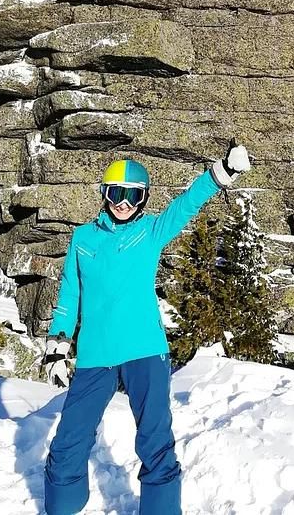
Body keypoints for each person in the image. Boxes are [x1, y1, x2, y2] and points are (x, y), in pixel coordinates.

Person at [42, 142, 252, 515]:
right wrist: (57, 346)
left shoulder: (152, 231)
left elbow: (187, 203)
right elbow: (69, 297)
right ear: (104, 194)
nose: (123, 203)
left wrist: (223, 172)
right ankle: (64, 507)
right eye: (116, 193)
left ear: (143, 199)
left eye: (133, 196)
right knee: (68, 441)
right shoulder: (83, 239)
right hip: (95, 353)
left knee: (155, 441)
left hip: (145, 351)